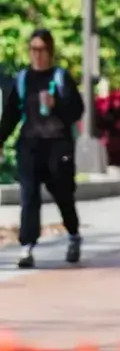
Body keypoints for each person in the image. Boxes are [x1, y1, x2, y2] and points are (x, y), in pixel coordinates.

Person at [0, 29, 85, 269]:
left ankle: (73, 235)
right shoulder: (23, 79)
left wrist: (57, 104)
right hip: (30, 145)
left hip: (58, 145)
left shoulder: (60, 77)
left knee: (63, 195)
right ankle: (27, 247)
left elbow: (77, 110)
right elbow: (11, 115)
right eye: (33, 49)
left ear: (50, 51)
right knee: (29, 196)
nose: (37, 55)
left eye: (41, 50)